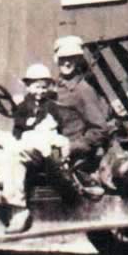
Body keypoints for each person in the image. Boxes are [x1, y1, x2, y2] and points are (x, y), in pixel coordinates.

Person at [0, 63, 68, 233]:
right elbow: (18, 126)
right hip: (27, 141)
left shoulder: (51, 105)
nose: (40, 91)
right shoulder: (25, 105)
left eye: (43, 87)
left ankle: (18, 209)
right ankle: (1, 176)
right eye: (36, 87)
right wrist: (24, 127)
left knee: (17, 152)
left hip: (43, 147)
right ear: (28, 87)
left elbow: (58, 123)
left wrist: (41, 125)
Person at [52, 36, 111, 194]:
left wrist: (73, 147)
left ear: (78, 61)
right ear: (57, 60)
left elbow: (100, 129)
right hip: (53, 148)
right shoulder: (53, 88)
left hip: (74, 156)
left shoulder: (83, 90)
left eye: (72, 58)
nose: (67, 63)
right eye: (63, 58)